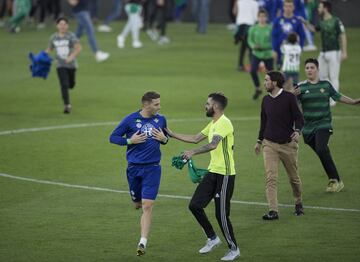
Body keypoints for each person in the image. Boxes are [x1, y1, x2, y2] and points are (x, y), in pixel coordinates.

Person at [166, 92, 240, 261]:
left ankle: (234, 249)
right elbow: (195, 138)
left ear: (215, 106)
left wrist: (193, 153)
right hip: (213, 172)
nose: (205, 106)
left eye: (207, 103)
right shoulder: (213, 123)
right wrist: (171, 133)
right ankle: (213, 238)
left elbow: (213, 144)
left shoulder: (224, 123)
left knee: (221, 214)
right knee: (195, 205)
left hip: (225, 174)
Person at [109, 91, 169, 256]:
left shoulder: (161, 119)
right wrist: (130, 141)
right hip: (134, 169)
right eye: (156, 104)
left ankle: (142, 242)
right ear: (146, 104)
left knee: (147, 206)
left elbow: (165, 138)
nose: (159, 107)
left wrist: (164, 139)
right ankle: (135, 200)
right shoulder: (130, 120)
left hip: (153, 168)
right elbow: (113, 137)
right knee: (137, 204)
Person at [295, 58, 360, 192]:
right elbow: (292, 105)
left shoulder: (325, 85)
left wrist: (353, 101)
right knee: (323, 152)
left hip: (324, 124)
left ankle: (335, 180)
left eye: (312, 67)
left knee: (321, 149)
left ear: (318, 69)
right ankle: (336, 180)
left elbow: (337, 96)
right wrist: (292, 95)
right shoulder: (301, 87)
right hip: (307, 129)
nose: (309, 70)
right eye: (307, 68)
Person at [254, 71, 304, 220]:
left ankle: (298, 202)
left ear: (275, 82)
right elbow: (263, 123)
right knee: (271, 178)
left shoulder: (289, 98)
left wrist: (297, 131)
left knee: (294, 179)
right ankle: (273, 210)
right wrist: (258, 141)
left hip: (288, 146)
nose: (264, 83)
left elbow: (299, 118)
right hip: (269, 145)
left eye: (266, 80)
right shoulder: (265, 100)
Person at [301, 0, 347, 106]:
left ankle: (334, 100)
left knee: (334, 76)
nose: (318, 9)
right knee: (321, 75)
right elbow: (313, 29)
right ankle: (328, 94)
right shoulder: (321, 22)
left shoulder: (336, 21)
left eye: (320, 7)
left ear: (325, 8)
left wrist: (344, 52)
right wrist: (305, 23)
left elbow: (342, 35)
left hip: (334, 52)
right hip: (323, 53)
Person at [45, 17, 81, 114]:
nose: (63, 26)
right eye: (60, 24)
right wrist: (42, 57)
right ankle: (67, 105)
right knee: (64, 85)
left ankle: (69, 90)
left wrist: (71, 57)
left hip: (71, 65)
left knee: (71, 85)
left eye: (64, 24)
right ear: (57, 26)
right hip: (60, 65)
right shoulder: (53, 37)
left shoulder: (71, 36)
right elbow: (49, 49)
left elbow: (78, 48)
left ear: (67, 26)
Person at [247, 8, 273, 100]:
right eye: (260, 17)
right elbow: (249, 40)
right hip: (256, 54)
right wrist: (253, 46)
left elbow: (273, 42)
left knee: (271, 75)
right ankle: (258, 88)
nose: (262, 18)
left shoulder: (270, 28)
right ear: (257, 17)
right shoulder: (253, 29)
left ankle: (272, 91)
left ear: (266, 17)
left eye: (263, 16)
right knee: (253, 70)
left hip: (268, 54)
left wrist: (263, 46)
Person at [272, 0, 305, 69]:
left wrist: (300, 48)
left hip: (292, 52)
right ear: (283, 7)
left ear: (293, 7)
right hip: (279, 51)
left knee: (292, 75)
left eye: (290, 6)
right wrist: (274, 50)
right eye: (286, 6)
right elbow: (274, 36)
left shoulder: (297, 21)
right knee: (280, 75)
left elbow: (302, 36)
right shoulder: (277, 20)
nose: (288, 8)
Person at [233, 0, 258, 72]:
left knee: (243, 46)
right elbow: (255, 18)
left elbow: (235, 12)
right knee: (250, 47)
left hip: (240, 27)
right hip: (249, 27)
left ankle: (240, 65)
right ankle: (252, 65)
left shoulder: (239, 2)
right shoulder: (255, 3)